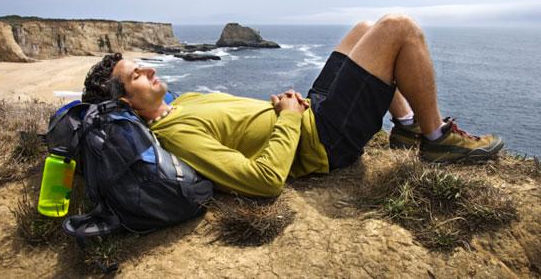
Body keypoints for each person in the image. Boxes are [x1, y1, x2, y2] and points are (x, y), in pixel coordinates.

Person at [82, 14, 503, 197]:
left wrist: (276, 106)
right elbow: (262, 180)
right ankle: (436, 140)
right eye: (139, 75)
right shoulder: (175, 134)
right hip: (324, 141)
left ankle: (407, 123)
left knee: (363, 28)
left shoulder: (184, 102)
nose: (151, 73)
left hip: (309, 112)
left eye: (144, 68)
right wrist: (287, 119)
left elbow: (241, 124)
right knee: (399, 29)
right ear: (126, 103)